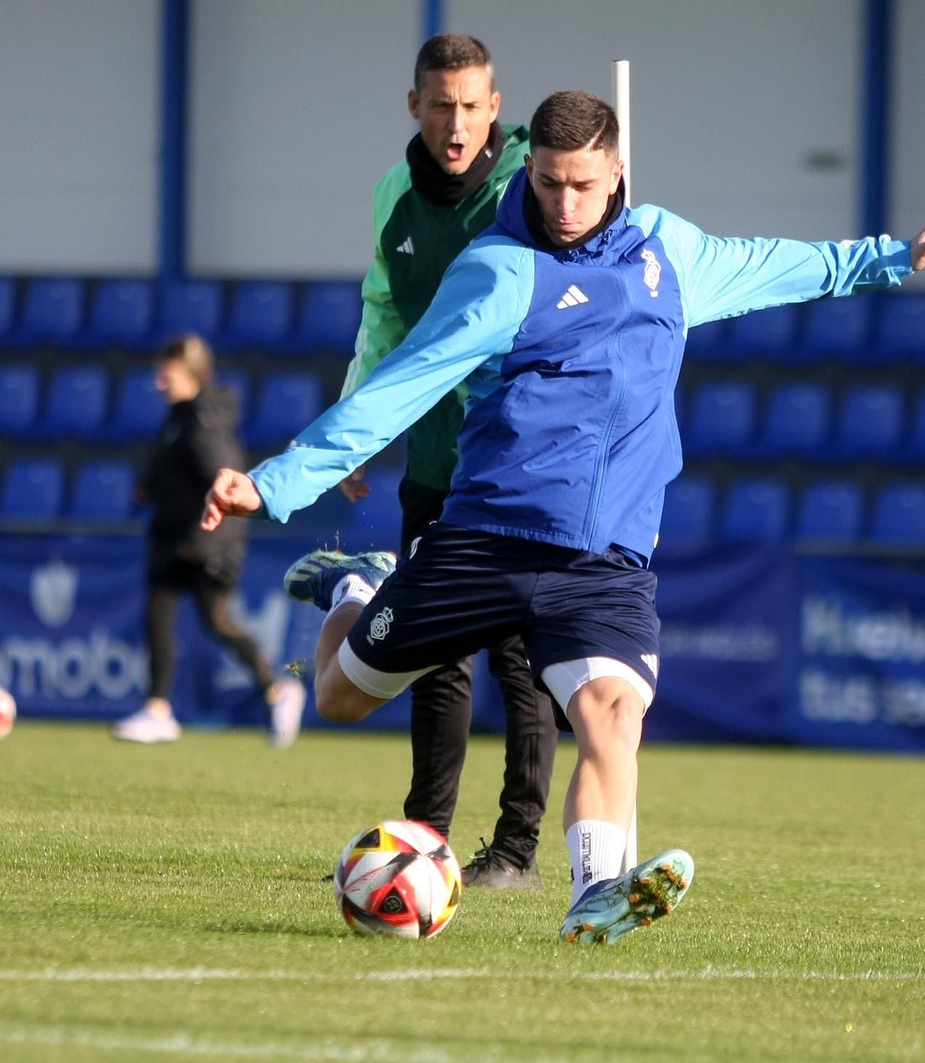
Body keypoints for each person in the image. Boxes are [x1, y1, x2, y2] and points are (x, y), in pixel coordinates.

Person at [202, 91, 925, 943]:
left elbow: (772, 265)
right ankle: (358, 585)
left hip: (604, 560)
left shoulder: (666, 252)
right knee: (339, 696)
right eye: (546, 184)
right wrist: (277, 481)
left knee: (613, 714)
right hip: (486, 539)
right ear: (529, 170)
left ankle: (593, 895)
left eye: (581, 184)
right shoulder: (499, 270)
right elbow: (403, 384)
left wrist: (892, 257)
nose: (564, 205)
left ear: (618, 170)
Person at [340, 33, 558, 888]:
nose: (456, 121)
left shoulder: (528, 190)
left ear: (495, 108)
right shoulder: (393, 195)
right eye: (441, 104)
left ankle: (517, 849)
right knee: (433, 658)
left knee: (517, 658)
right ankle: (424, 842)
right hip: (434, 461)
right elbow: (381, 314)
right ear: (415, 106)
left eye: (472, 105)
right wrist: (358, 425)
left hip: (517, 464)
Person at [112, 334, 306, 746]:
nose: (160, 382)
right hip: (172, 538)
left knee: (215, 621)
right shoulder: (179, 417)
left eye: (168, 374)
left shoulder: (202, 421)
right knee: (160, 616)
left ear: (192, 374)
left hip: (202, 541)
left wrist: (207, 544)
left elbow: (224, 482)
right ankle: (159, 709)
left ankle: (278, 688)